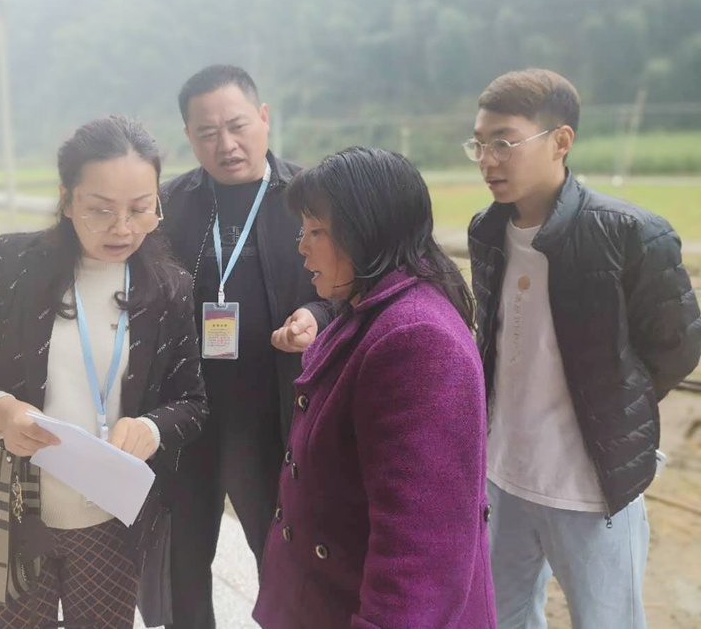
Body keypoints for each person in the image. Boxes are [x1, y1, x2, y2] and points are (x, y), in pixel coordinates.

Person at [0, 116, 208, 629]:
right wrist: (1, 412)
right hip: (10, 511)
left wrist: (149, 429)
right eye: (100, 211)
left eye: (140, 209)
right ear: (66, 199)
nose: (122, 229)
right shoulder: (13, 265)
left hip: (109, 519)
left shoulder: (169, 289)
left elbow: (192, 402)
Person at [466, 68, 701, 628]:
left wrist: (617, 402)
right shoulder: (485, 231)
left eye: (504, 142)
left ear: (561, 140)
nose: (487, 159)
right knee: (501, 617)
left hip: (593, 489)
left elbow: (678, 348)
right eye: (479, 143)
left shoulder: (631, 235)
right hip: (504, 477)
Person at [253, 147, 495, 628]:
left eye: (316, 231)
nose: (302, 246)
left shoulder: (417, 340)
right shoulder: (369, 308)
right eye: (304, 229)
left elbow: (420, 551)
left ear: (367, 231)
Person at [160, 65, 333, 629]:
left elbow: (349, 285)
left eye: (237, 125)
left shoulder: (310, 197)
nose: (226, 144)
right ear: (188, 137)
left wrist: (316, 313)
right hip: (187, 416)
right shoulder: (170, 206)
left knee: (279, 554)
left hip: (271, 415)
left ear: (263, 118)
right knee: (182, 562)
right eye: (206, 133)